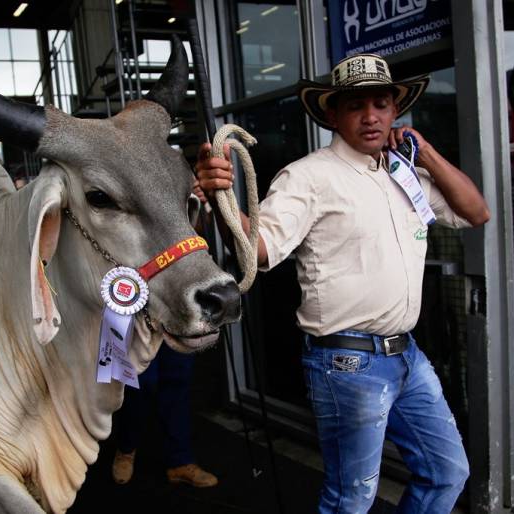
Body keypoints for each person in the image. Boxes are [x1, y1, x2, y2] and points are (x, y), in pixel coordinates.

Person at [196, 53, 490, 513]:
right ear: (332, 115)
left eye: (381, 104)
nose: (370, 116)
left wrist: (425, 151)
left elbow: (476, 212)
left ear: (395, 111)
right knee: (351, 498)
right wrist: (221, 198)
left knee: (447, 471)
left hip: (407, 355)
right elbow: (259, 251)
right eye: (356, 106)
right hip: (348, 363)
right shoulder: (309, 176)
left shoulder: (404, 172)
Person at [111, 181, 218, 489]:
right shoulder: (129, 191)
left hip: (176, 304)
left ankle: (180, 461)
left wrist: (199, 206)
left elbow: (199, 241)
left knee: (177, 381)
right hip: (137, 300)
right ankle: (126, 450)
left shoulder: (180, 190)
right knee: (139, 383)